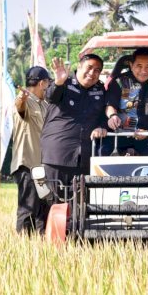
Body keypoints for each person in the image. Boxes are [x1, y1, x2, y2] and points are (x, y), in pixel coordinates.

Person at [40, 55, 109, 193]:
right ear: (79, 67)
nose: (92, 73)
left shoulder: (100, 91)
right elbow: (50, 96)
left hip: (86, 158)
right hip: (58, 155)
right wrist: (59, 82)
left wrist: (102, 127)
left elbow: (104, 117)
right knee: (56, 204)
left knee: (82, 206)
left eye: (97, 70)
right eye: (89, 68)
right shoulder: (64, 82)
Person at [105, 47, 148, 156]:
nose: (143, 71)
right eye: (139, 66)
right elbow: (110, 105)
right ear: (131, 66)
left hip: (147, 138)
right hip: (120, 137)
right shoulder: (119, 81)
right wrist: (112, 116)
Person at [10, 66, 51, 234]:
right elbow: (19, 106)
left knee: (43, 209)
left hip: (41, 167)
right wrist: (22, 98)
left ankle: (40, 248)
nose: (49, 86)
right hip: (27, 166)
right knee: (28, 209)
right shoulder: (27, 101)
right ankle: (23, 248)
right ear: (42, 83)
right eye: (48, 83)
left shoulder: (46, 105)